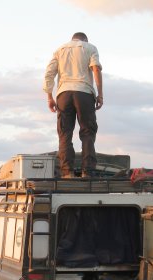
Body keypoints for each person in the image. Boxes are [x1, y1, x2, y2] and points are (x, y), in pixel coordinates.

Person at [43, 32, 103, 178]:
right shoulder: (90, 48)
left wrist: (49, 97)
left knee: (65, 134)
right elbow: (95, 68)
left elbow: (49, 73)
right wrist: (100, 93)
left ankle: (67, 172)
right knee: (87, 132)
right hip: (84, 93)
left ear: (73, 39)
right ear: (85, 40)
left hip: (63, 94)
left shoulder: (60, 50)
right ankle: (87, 172)